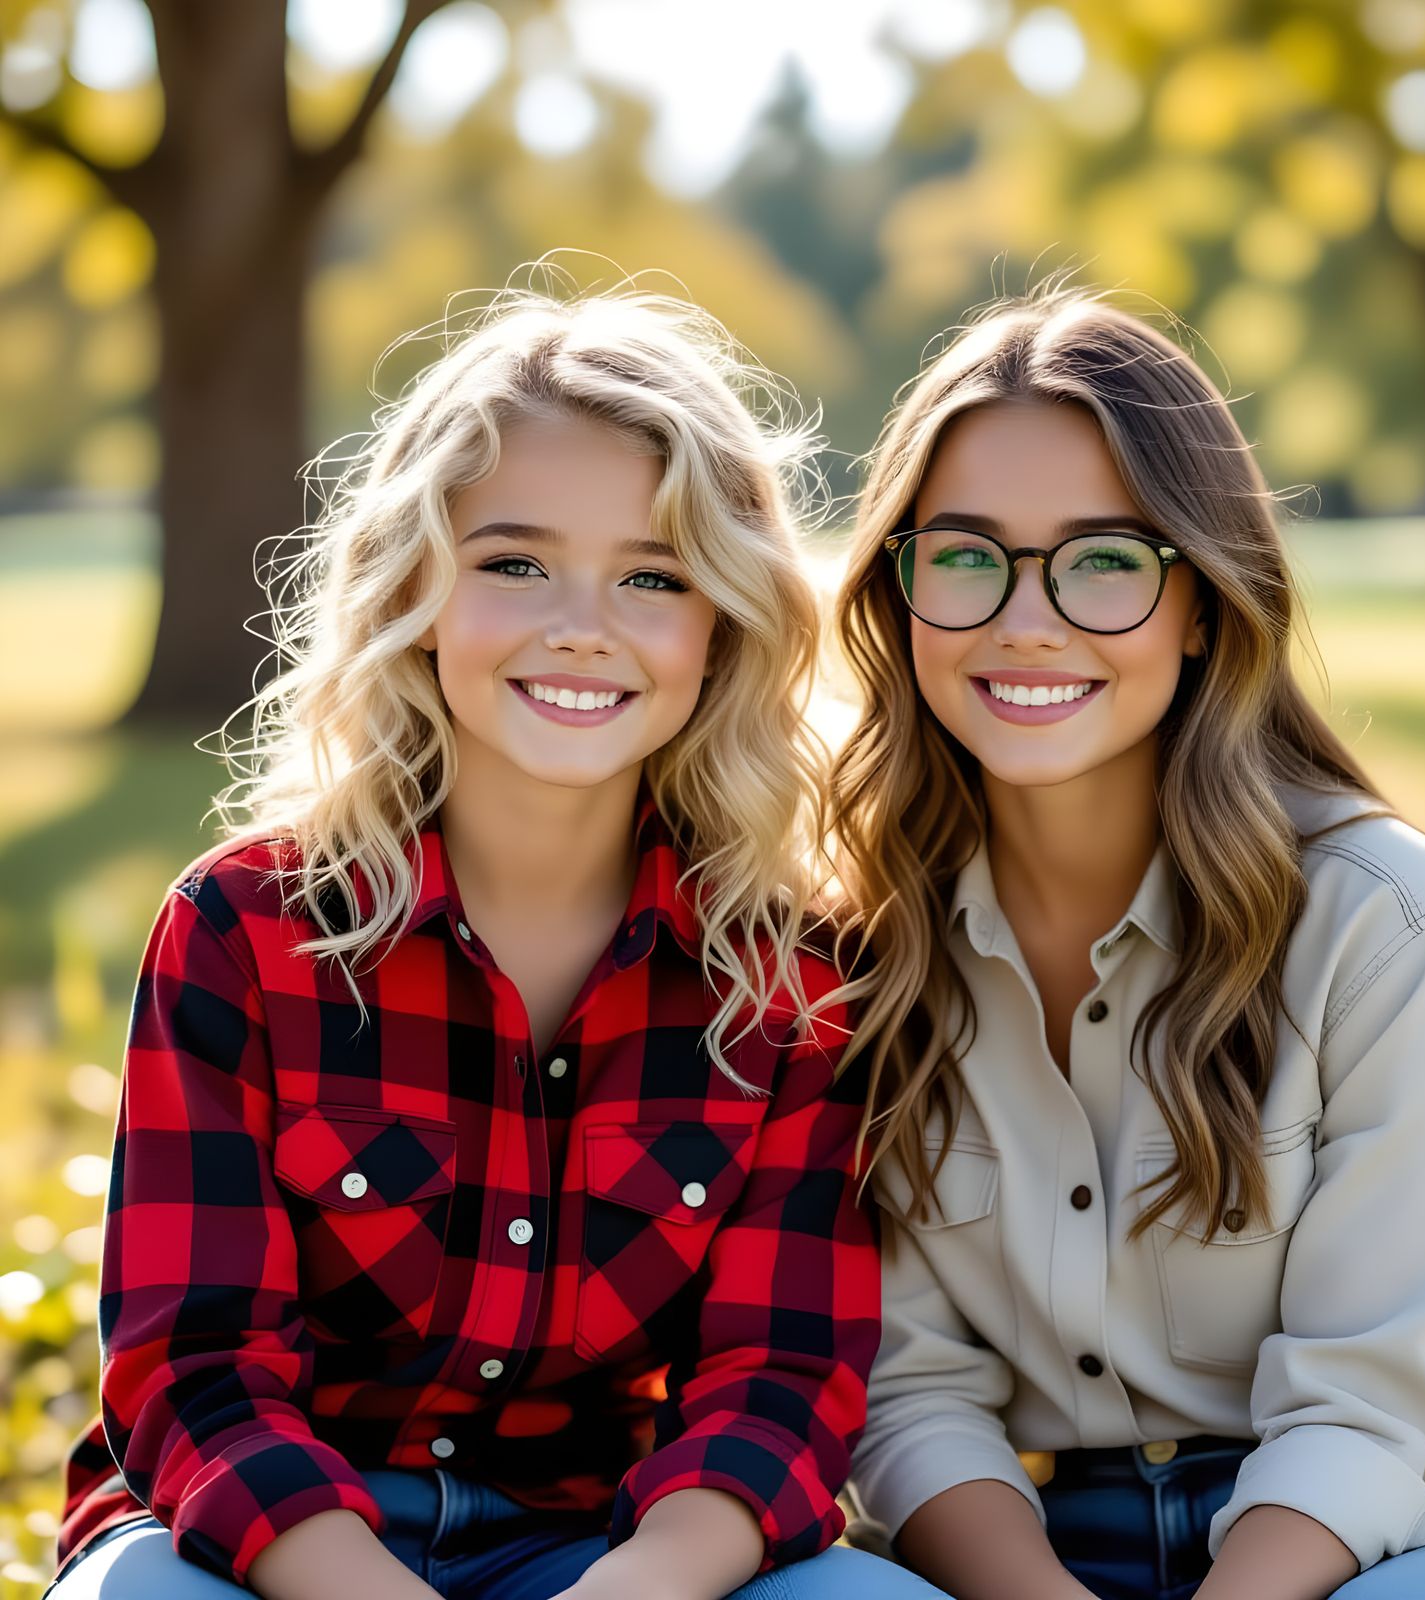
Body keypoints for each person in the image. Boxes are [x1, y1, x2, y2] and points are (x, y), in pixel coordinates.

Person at [51, 285, 925, 1600]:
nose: (584, 624)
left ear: (723, 626)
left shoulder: (791, 976)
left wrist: (632, 1590)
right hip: (268, 1555)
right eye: (514, 564)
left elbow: (780, 1385)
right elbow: (196, 1371)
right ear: (416, 589)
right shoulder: (245, 931)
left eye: (654, 577)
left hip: (611, 1546)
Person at [829, 287, 1425, 1600]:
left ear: (1203, 601)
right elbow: (906, 1389)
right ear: (898, 589)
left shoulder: (1377, 915)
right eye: (964, 553)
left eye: (1106, 559)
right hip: (1023, 1547)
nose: (1026, 617)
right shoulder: (856, 941)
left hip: (1383, 1535)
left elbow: (1371, 1406)